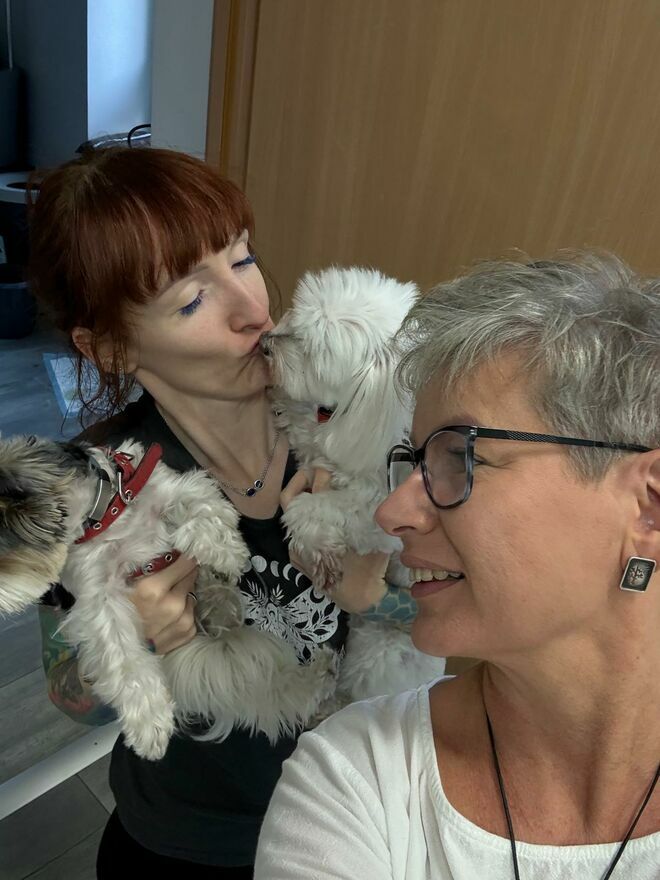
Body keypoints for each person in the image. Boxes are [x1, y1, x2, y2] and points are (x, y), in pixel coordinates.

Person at [29, 146, 415, 877]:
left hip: (345, 824)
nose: (256, 312)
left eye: (242, 259)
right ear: (109, 347)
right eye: (190, 300)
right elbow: (69, 695)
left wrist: (378, 597)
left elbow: (452, 608)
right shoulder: (99, 487)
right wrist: (137, 639)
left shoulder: (348, 420)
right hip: (187, 840)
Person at [254, 253, 660, 879]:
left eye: (462, 458)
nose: (393, 511)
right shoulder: (354, 778)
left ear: (648, 505)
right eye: (414, 460)